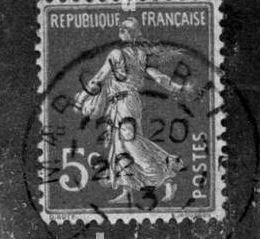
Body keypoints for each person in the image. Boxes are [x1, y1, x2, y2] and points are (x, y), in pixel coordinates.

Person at [73, 16, 189, 206]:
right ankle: (127, 190)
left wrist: (81, 99)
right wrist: (175, 87)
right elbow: (158, 77)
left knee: (131, 142)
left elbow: (98, 79)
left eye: (126, 28)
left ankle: (166, 175)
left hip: (125, 102)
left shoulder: (117, 53)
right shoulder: (140, 54)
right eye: (121, 27)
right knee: (119, 146)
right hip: (124, 102)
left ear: (134, 34)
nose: (121, 29)